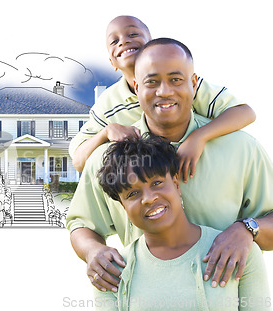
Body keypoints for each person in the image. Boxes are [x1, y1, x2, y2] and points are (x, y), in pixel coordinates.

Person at [66, 38, 273, 294]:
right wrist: (93, 251)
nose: (164, 91)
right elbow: (81, 223)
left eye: (176, 79)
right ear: (135, 86)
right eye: (152, 82)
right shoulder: (107, 159)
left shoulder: (242, 148)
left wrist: (247, 229)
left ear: (194, 83)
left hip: (225, 299)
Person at [69, 15, 256, 184]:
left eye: (133, 34)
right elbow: (78, 161)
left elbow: (245, 113)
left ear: (152, 44)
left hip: (200, 174)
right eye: (114, 41)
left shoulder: (183, 85)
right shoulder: (108, 104)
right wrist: (106, 132)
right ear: (112, 62)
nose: (124, 41)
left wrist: (198, 137)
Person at [94, 134, 271, 311]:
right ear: (123, 207)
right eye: (132, 194)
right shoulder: (111, 272)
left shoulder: (237, 251)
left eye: (156, 183)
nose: (148, 198)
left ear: (177, 184)